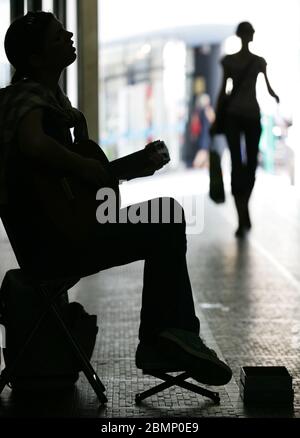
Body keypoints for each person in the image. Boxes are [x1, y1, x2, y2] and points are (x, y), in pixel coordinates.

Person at [0, 12, 232, 386]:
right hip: (54, 246)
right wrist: (87, 167)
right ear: (36, 57)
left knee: (166, 214)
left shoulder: (55, 107)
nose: (70, 35)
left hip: (66, 232)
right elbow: (32, 143)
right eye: (58, 36)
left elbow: (70, 186)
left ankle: (169, 335)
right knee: (166, 219)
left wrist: (120, 170)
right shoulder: (25, 97)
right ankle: (166, 338)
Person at [212, 21, 279, 238]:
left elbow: (223, 93)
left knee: (244, 165)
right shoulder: (249, 62)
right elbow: (269, 90)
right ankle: (242, 215)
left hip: (241, 116)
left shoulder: (242, 62)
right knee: (245, 165)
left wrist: (215, 118)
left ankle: (243, 209)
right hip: (245, 115)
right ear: (246, 36)